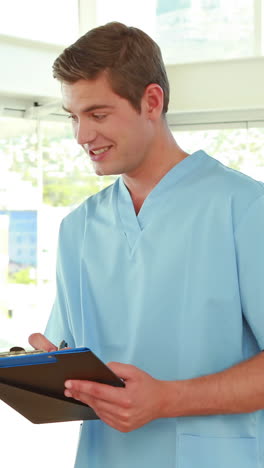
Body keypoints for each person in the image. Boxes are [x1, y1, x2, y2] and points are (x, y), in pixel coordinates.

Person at [29, 22, 264, 468]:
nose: (81, 136)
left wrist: (167, 399)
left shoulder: (246, 209)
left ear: (151, 102)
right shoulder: (77, 228)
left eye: (97, 115)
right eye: (73, 117)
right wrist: (46, 371)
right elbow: (78, 364)